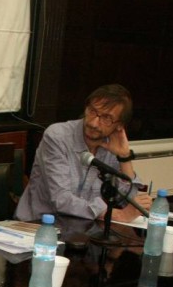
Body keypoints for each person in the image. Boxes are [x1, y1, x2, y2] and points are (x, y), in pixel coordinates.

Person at [15, 84, 153, 222]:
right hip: (38, 226)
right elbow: (61, 199)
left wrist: (124, 157)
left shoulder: (112, 145)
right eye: (92, 111)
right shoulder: (58, 136)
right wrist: (115, 215)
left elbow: (129, 203)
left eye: (106, 118)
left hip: (83, 228)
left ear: (119, 125)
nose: (94, 123)